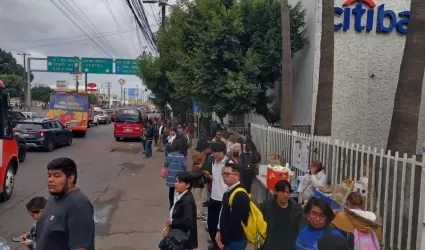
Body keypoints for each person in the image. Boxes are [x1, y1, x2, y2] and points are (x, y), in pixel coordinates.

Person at [35, 157, 95, 250]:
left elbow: (80, 248)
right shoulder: (54, 196)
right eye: (49, 175)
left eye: (57, 176)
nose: (50, 180)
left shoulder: (79, 206)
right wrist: (33, 237)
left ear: (70, 178)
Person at [216, 160, 250, 250]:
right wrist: (219, 231)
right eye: (224, 174)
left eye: (228, 174)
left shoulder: (240, 195)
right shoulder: (229, 192)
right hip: (227, 239)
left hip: (235, 240)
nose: (225, 176)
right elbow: (223, 214)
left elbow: (235, 222)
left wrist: (223, 241)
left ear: (237, 176)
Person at [260, 180, 303, 250]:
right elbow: (260, 227)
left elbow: (299, 228)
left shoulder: (296, 209)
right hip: (270, 245)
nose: (286, 195)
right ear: (275, 192)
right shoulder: (267, 207)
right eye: (283, 192)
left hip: (288, 245)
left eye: (288, 192)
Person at [164, 171, 198, 250]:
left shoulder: (187, 200)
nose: (176, 184)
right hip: (177, 237)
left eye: (180, 182)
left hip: (183, 240)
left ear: (188, 185)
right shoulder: (179, 194)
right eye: (176, 181)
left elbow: (187, 222)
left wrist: (172, 222)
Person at [205, 141, 228, 250]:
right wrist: (209, 176)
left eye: (217, 152)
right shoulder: (213, 162)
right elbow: (216, 178)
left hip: (223, 199)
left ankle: (220, 245)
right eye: (213, 152)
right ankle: (215, 243)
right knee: (211, 224)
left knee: (221, 226)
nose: (215, 154)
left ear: (223, 151)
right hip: (213, 197)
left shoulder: (228, 164)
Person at [165, 140, 187, 208]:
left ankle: (171, 205)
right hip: (179, 177)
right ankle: (178, 205)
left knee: (171, 191)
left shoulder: (169, 155)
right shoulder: (181, 156)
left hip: (171, 176)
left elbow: (166, 164)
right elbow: (185, 166)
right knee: (179, 191)